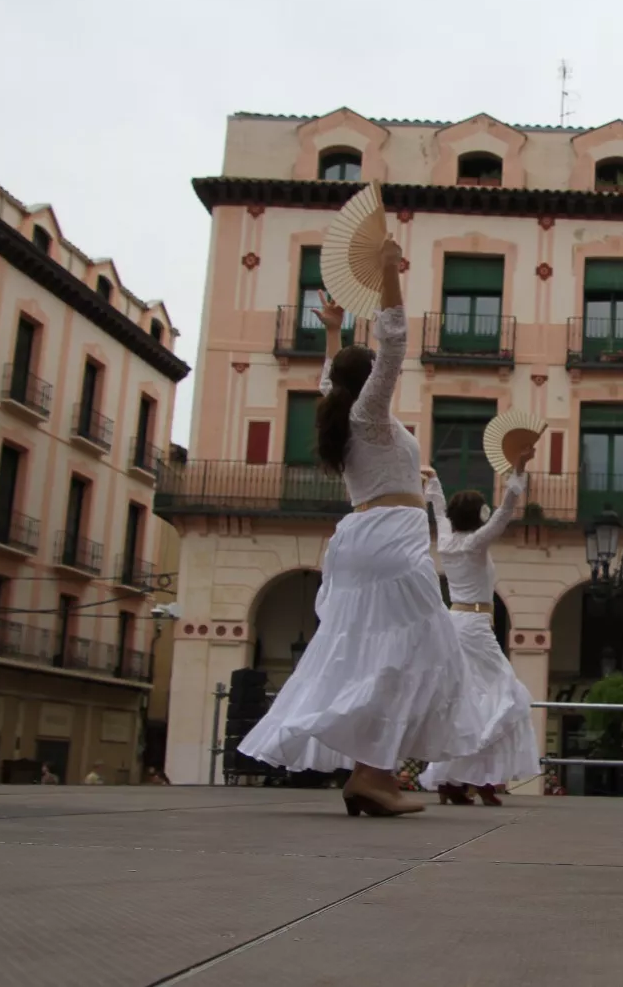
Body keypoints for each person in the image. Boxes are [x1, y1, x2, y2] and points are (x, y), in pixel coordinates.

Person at [238, 237, 479, 818]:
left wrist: (332, 332)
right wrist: (389, 272)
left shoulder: (340, 416)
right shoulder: (369, 414)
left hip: (359, 542)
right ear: (371, 380)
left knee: (368, 654)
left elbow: (328, 380)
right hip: (394, 540)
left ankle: (373, 773)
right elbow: (394, 339)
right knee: (418, 651)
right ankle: (373, 775)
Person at [420, 443, 543, 807]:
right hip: (474, 624)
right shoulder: (475, 543)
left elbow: (438, 509)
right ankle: (482, 777)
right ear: (476, 516)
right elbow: (505, 512)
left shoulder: (446, 539)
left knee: (466, 699)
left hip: (454, 620)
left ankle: (455, 779)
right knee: (507, 694)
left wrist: (434, 481)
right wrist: (518, 472)